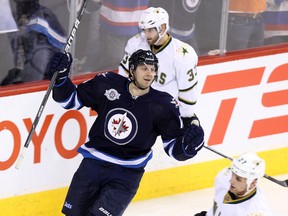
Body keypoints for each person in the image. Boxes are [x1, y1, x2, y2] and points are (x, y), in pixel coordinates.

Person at [48, 49, 205, 216]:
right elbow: (69, 100)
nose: (149, 73)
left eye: (153, 69)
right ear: (132, 70)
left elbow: (174, 149)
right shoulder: (108, 83)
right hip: (92, 165)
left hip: (126, 176)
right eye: (144, 68)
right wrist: (61, 78)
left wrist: (189, 147)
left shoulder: (163, 105)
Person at [118, 7, 199, 129]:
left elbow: (187, 92)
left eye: (150, 30)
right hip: (137, 109)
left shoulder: (181, 54)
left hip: (165, 114)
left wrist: (187, 116)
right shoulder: (136, 44)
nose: (146, 35)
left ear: (162, 28)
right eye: (144, 30)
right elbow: (122, 75)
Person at [1, 0, 66, 86]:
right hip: (19, 77)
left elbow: (32, 82)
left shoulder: (42, 21)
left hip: (38, 84)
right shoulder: (14, 16)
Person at [194, 152, 273, 216]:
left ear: (252, 183)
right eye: (232, 175)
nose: (231, 181)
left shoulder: (255, 210)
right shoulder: (224, 176)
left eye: (238, 179)